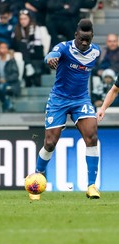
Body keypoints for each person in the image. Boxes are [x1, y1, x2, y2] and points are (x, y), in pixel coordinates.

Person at [33, 18, 101, 200]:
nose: (84, 43)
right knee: (50, 143)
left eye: (88, 39)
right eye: (81, 39)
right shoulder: (63, 47)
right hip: (59, 99)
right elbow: (50, 56)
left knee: (92, 136)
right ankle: (35, 181)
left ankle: (91, 186)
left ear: (92, 36)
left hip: (81, 99)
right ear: (75, 35)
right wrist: (51, 60)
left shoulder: (96, 52)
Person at [12, 9, 45, 87]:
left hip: (34, 50)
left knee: (26, 47)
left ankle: (28, 67)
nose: (23, 21)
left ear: (29, 19)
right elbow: (14, 42)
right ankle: (28, 66)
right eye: (21, 19)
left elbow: (38, 42)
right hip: (22, 50)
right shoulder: (17, 28)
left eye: (25, 19)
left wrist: (27, 44)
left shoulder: (35, 27)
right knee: (21, 44)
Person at [0, 41, 20, 112]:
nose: (4, 49)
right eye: (2, 48)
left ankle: (6, 105)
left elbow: (15, 74)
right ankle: (8, 104)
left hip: (10, 82)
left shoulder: (11, 60)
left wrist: (6, 79)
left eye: (5, 48)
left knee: (2, 87)